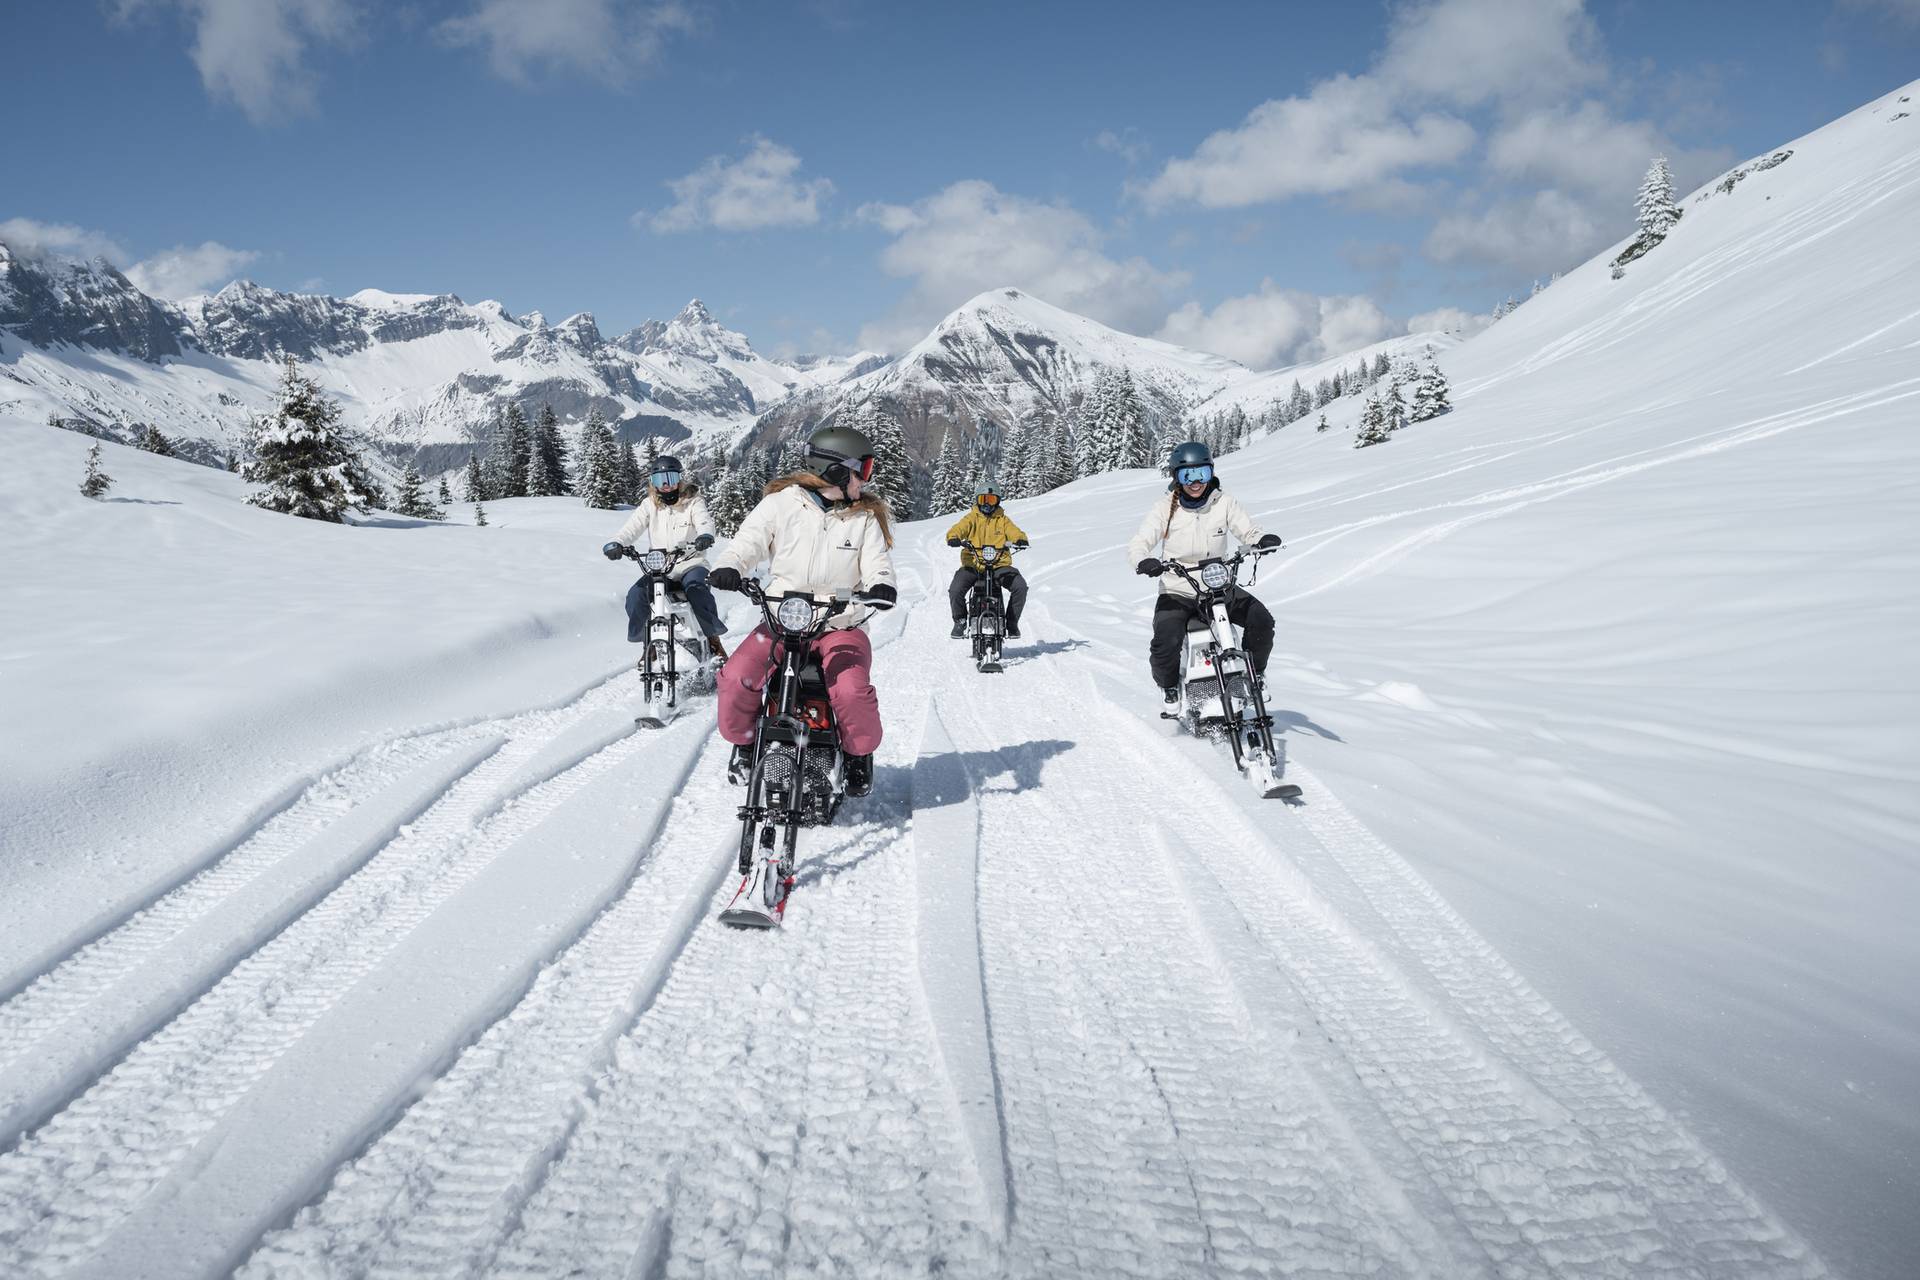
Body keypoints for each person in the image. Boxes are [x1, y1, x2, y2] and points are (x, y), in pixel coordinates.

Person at [707, 424, 898, 797]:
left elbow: (878, 563)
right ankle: (745, 744)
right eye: (864, 468)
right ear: (838, 470)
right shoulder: (782, 504)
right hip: (782, 618)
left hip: (840, 622)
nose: (866, 479)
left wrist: (881, 585)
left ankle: (858, 754)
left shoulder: (862, 518)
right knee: (736, 676)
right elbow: (749, 541)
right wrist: (731, 565)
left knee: (852, 690)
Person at [1126, 440, 1283, 704]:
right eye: (1188, 474)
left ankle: (1256, 675)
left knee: (1262, 620)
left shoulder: (1224, 503)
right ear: (1176, 477)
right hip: (1178, 588)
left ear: (1211, 472)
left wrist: (1260, 540)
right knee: (1165, 641)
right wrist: (1143, 561)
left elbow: (1247, 530)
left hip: (1218, 585)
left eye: (1202, 473)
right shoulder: (1165, 508)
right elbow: (1140, 542)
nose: (1196, 482)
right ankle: (1169, 688)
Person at [604, 455, 728, 662]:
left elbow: (704, 521)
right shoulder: (649, 505)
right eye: (660, 480)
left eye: (670, 479)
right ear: (652, 482)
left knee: (697, 589)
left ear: (679, 479)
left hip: (691, 563)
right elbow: (630, 529)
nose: (666, 486)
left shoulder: (693, 502)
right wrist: (617, 543)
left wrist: (705, 536)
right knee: (636, 595)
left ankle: (713, 639)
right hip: (661, 568)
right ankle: (648, 644)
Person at [944, 487, 1030, 639]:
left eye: (991, 500)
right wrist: (954, 537)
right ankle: (960, 620)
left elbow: (1014, 531)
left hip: (999, 565)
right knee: (955, 590)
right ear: (977, 500)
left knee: (1020, 587)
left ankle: (1011, 622)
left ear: (997, 501)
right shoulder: (972, 518)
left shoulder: (1002, 520)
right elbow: (958, 529)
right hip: (973, 565)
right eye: (983, 499)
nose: (987, 504)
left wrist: (1020, 539)